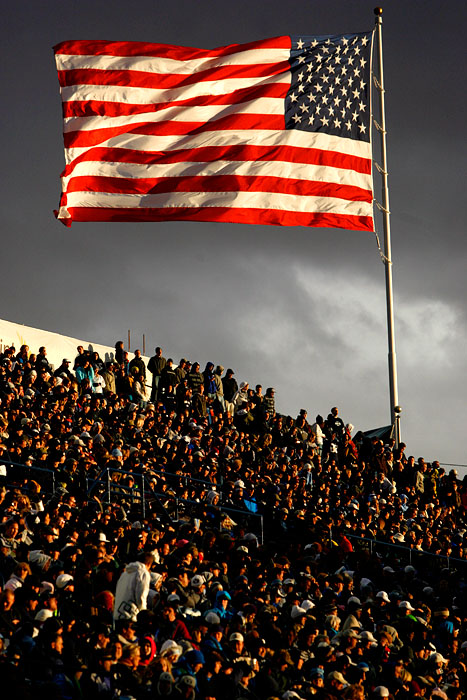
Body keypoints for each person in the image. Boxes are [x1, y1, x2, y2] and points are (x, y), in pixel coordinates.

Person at [113, 552, 154, 621]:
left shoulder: (125, 573)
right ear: (149, 564)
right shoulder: (143, 573)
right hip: (130, 615)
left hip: (118, 613)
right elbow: (141, 596)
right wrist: (144, 613)